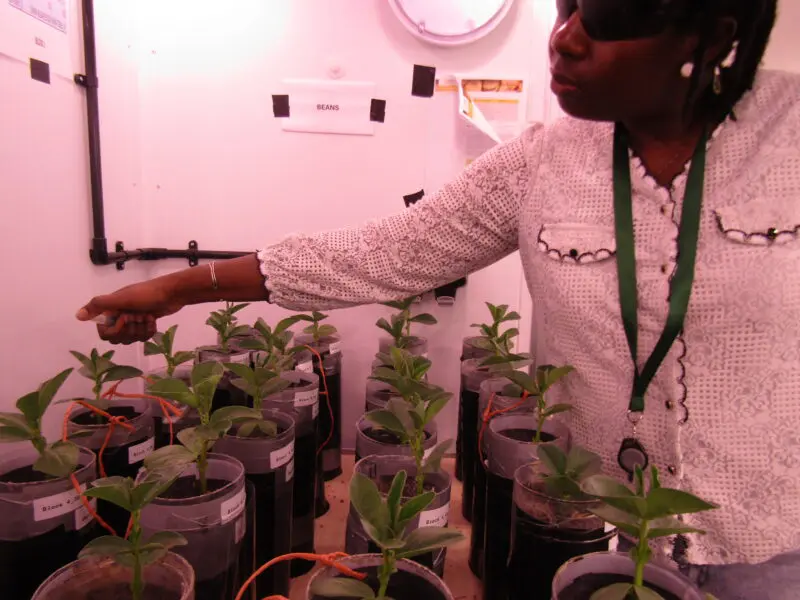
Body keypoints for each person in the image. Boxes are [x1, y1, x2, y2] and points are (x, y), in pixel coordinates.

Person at [77, 1, 800, 597]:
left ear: (710, 35)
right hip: (592, 529)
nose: (565, 39)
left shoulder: (789, 137)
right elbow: (383, 254)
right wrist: (179, 286)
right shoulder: (544, 161)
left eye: (605, 18)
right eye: (565, 8)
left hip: (769, 544)